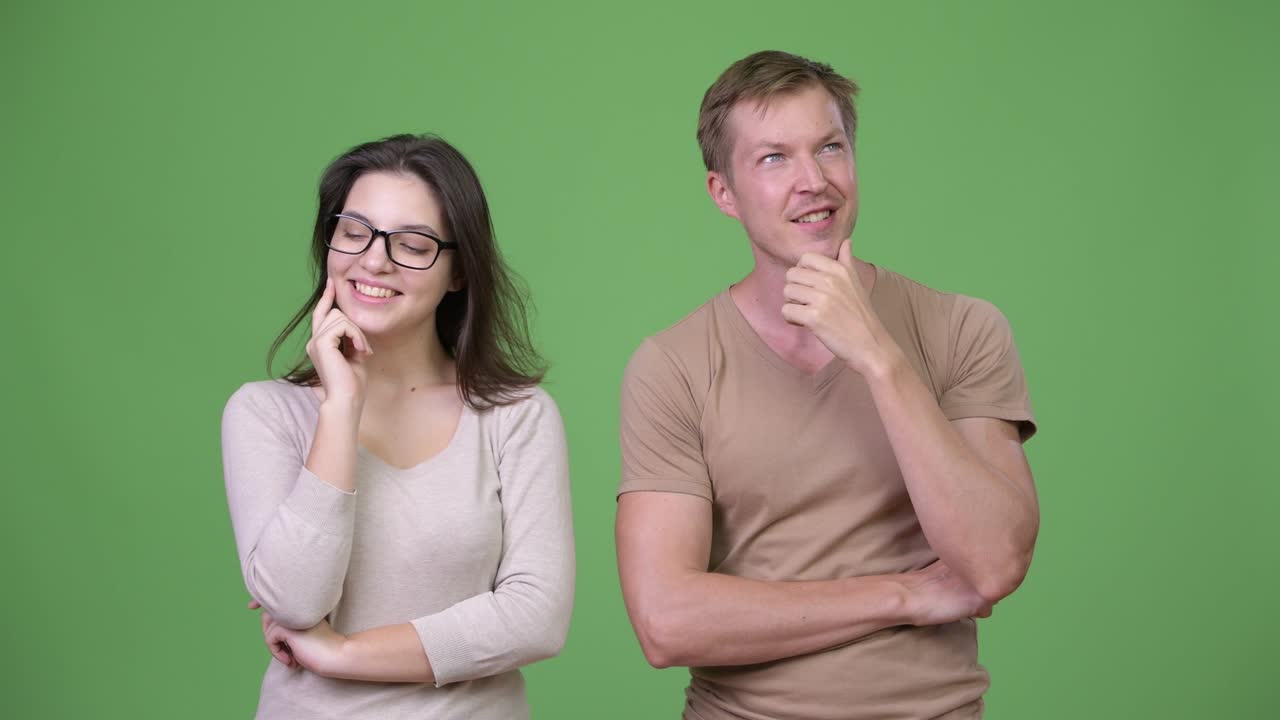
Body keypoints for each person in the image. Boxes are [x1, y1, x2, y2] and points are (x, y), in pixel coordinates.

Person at [616, 51, 1038, 720]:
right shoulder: (671, 365)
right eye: (774, 158)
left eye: (830, 148)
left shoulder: (961, 327)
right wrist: (903, 595)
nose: (813, 181)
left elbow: (993, 563)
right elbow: (666, 622)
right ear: (722, 192)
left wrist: (878, 356)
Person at [221, 134, 574, 720]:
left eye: (413, 244)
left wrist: (342, 654)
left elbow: (537, 618)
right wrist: (340, 408)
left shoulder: (516, 416)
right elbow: (296, 599)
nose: (375, 260)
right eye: (355, 232)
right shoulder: (264, 413)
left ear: (459, 271)